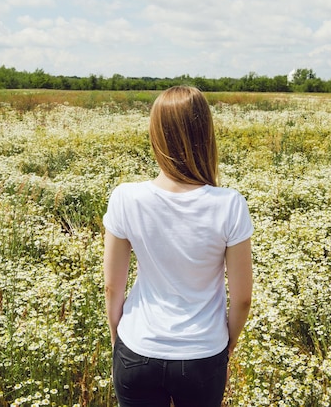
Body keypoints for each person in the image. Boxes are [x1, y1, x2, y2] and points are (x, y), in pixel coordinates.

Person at [103, 86, 253, 407]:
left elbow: (111, 287)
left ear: (156, 135)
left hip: (138, 347)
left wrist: (119, 339)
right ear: (206, 134)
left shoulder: (126, 197)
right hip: (202, 353)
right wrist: (225, 345)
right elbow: (242, 299)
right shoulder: (230, 204)